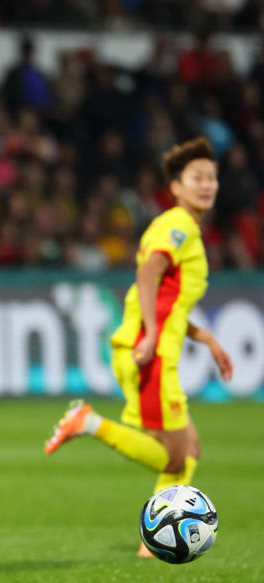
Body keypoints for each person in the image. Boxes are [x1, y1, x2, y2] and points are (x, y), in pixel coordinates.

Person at [45, 136, 234, 557]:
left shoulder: (177, 226)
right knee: (174, 458)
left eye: (212, 178)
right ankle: (89, 422)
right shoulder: (180, 225)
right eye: (196, 178)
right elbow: (149, 274)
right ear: (177, 187)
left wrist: (205, 338)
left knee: (189, 450)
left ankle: (155, 544)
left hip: (149, 345)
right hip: (150, 351)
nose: (207, 185)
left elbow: (168, 298)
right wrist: (150, 334)